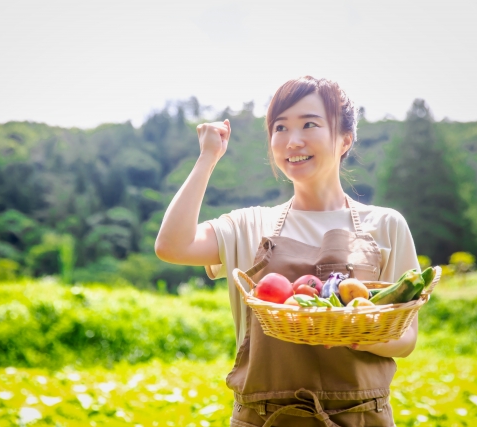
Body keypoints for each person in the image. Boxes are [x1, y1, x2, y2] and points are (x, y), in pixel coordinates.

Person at [155, 76, 421, 427]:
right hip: (264, 419)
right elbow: (172, 246)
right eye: (280, 128)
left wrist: (351, 331)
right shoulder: (251, 225)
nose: (293, 141)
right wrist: (207, 157)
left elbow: (406, 337)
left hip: (361, 418)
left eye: (309, 124)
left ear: (344, 139)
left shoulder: (386, 225)